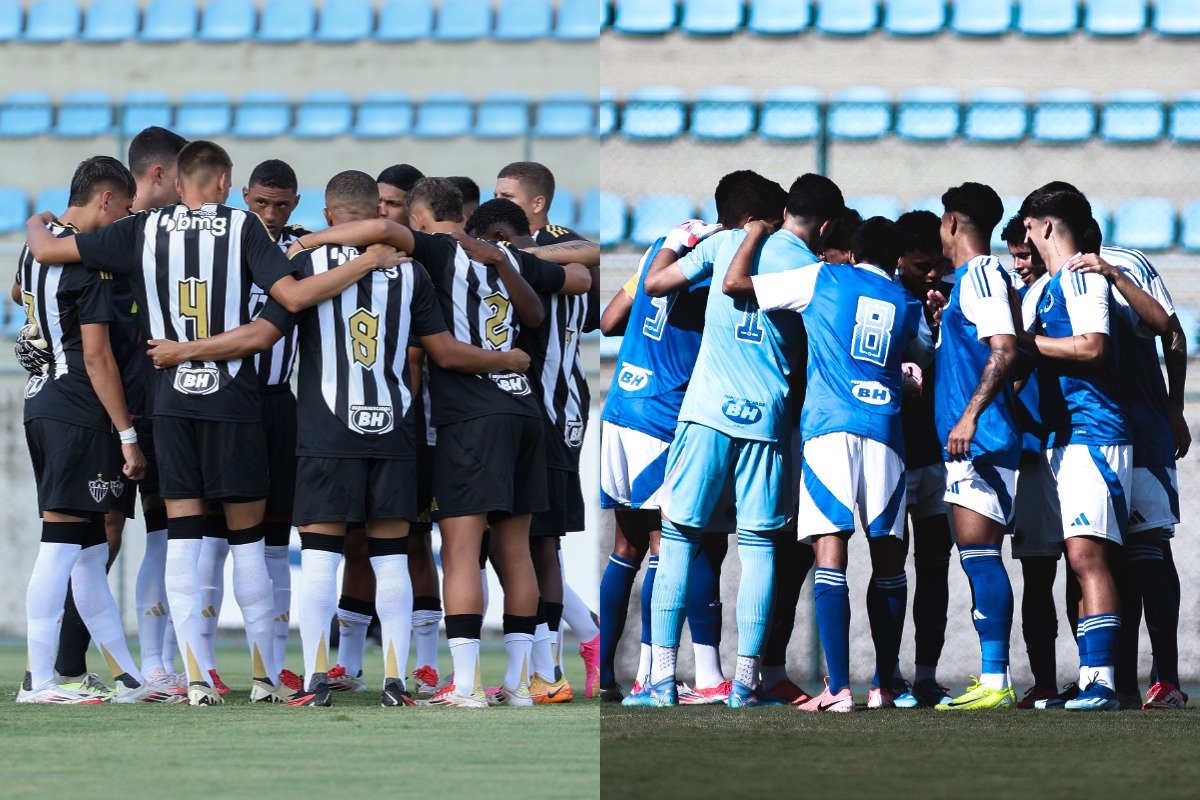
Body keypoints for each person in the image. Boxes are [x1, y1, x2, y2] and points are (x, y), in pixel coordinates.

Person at [25, 141, 400, 706]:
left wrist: (36, 218)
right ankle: (261, 677)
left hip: (169, 404)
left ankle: (194, 678)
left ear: (179, 181)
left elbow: (49, 254)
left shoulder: (141, 230)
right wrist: (367, 261)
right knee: (249, 541)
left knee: (181, 538)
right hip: (234, 402)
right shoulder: (244, 229)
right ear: (226, 183)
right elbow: (293, 298)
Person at [146, 171, 534, 707]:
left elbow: (263, 336)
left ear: (329, 216)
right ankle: (394, 680)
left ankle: (314, 678)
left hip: (327, 428)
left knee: (323, 554)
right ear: (378, 210)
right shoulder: (413, 273)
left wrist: (185, 351)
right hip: (394, 426)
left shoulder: (305, 265)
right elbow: (440, 348)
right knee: (391, 555)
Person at [283, 177, 591, 707]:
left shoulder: (435, 253)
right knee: (517, 551)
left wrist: (307, 241)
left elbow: (441, 350)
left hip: (470, 417)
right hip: (525, 409)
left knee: (462, 551)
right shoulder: (505, 256)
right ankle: (520, 685)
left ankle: (467, 684)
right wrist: (506, 265)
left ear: (421, 219)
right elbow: (569, 287)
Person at [625, 174, 842, 708]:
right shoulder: (815, 273)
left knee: (678, 539)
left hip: (703, 414)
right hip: (766, 419)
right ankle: (745, 681)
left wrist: (682, 240)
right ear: (827, 226)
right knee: (760, 548)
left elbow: (653, 285)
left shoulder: (723, 243)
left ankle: (660, 679)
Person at [728, 217, 930, 713]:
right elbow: (922, 359)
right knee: (887, 556)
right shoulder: (908, 301)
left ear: (853, 253)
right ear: (897, 259)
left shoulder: (824, 277)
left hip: (830, 427)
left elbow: (736, 285)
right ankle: (888, 684)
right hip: (886, 430)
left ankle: (838, 688)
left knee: (829, 550)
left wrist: (753, 235)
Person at [16, 156, 178, 704]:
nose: (123, 221)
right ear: (107, 200)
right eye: (124, 209)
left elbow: (23, 296)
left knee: (87, 552)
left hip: (41, 401)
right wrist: (127, 434)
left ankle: (129, 678)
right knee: (60, 544)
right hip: (76, 410)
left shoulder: (34, 247)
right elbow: (98, 357)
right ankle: (39, 681)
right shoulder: (87, 264)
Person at [466, 198, 600, 703]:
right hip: (551, 413)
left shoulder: (520, 260)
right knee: (532, 544)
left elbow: (586, 270)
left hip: (539, 415)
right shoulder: (551, 256)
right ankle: (556, 660)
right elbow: (587, 268)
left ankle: (546, 669)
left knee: (526, 544)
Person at [197, 158, 309, 695]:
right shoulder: (220, 241)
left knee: (273, 539)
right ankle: (204, 662)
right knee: (214, 537)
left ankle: (274, 663)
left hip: (279, 405)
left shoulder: (307, 248)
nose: (269, 213)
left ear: (296, 204)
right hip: (224, 400)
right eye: (260, 203)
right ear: (242, 195)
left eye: (281, 205)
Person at [1018, 188, 1130, 712]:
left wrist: (1022, 345)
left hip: (1096, 432)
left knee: (1088, 556)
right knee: (1075, 557)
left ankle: (1103, 681)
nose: (1023, 239)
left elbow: (1092, 346)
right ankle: (1090, 678)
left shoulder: (1083, 278)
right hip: (1060, 438)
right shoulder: (1042, 288)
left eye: (1027, 228)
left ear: (1044, 226)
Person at [931, 182, 1021, 710]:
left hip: (981, 442)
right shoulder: (968, 281)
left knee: (982, 557)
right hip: (975, 442)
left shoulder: (982, 273)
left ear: (953, 224)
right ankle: (994, 678)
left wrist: (968, 416)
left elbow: (1004, 351)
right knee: (977, 556)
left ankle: (996, 679)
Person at [999, 214, 1064, 709]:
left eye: (1026, 254)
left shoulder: (1055, 295)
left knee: (1086, 567)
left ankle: (1098, 675)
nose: (1021, 265)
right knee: (1038, 574)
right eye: (1015, 256)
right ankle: (1045, 680)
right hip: (1034, 453)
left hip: (1062, 447)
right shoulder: (1017, 299)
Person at [892, 210, 954, 708]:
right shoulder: (885, 300)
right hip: (893, 451)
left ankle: (926, 675)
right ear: (898, 262)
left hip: (938, 455)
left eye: (937, 263)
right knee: (890, 567)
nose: (932, 273)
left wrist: (944, 321)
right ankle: (888, 676)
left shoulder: (954, 298)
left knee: (934, 568)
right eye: (920, 265)